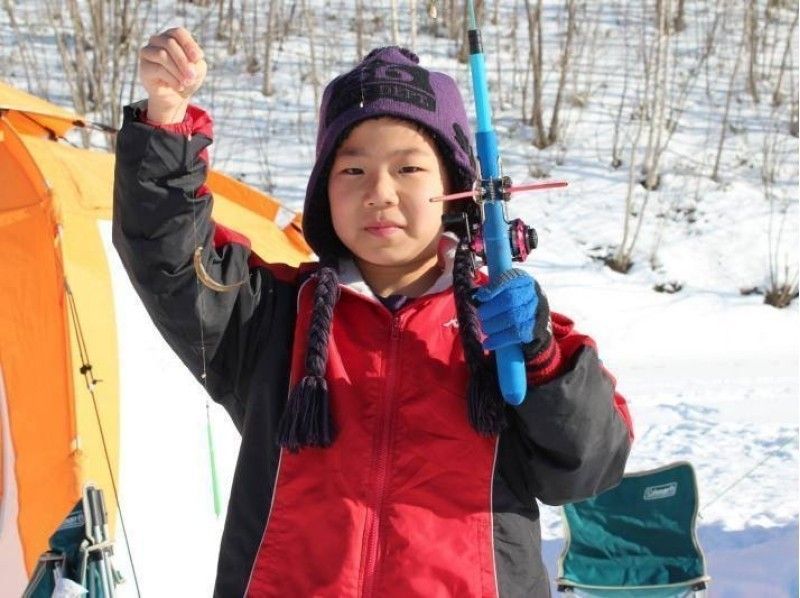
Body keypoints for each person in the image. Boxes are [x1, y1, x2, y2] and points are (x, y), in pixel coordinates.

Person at [113, 27, 633, 598]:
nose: (378, 192)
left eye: (409, 169)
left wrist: (539, 360)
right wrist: (166, 116)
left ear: (455, 189)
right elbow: (170, 258)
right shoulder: (270, 317)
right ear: (323, 195)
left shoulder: (508, 327)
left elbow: (586, 466)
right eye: (352, 170)